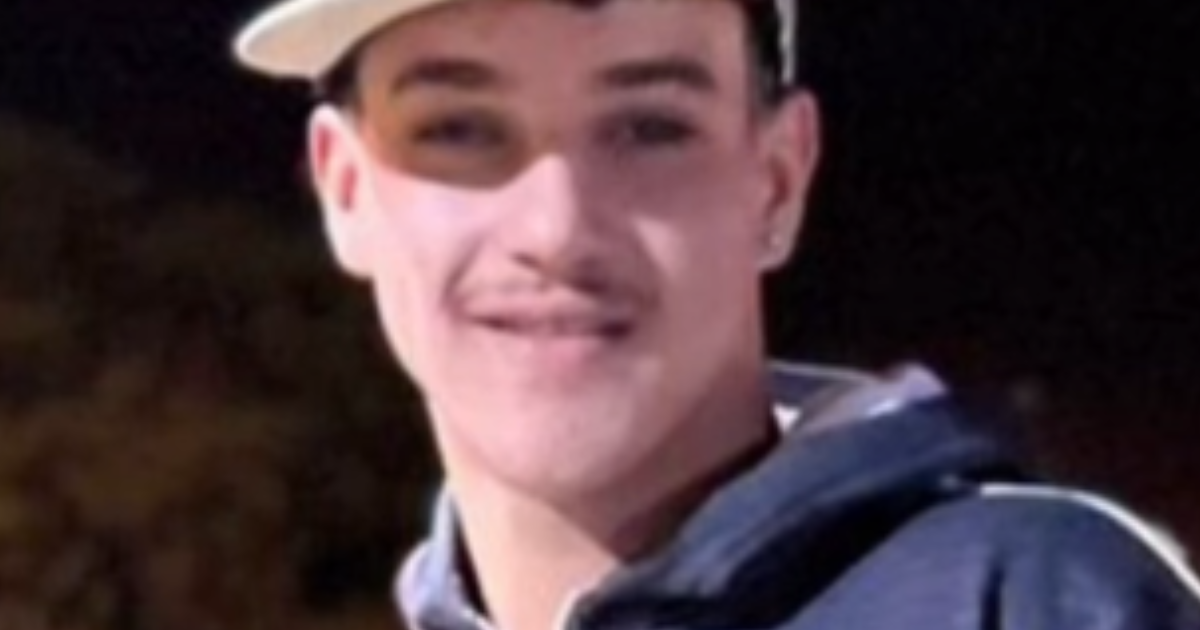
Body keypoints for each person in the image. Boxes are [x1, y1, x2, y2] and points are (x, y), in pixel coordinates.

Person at [232, 0, 1200, 628]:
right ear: (344, 189)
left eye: (650, 127)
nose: (556, 228)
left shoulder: (1022, 600)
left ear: (776, 181)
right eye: (458, 128)